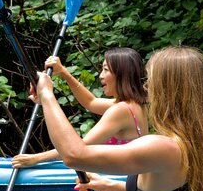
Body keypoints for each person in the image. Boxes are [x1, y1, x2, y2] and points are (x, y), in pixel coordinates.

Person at [32, 46, 203, 191]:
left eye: (151, 81)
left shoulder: (163, 147)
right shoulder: (195, 145)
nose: (145, 86)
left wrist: (47, 95)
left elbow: (74, 155)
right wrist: (109, 185)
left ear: (168, 91)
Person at [12, 48, 149, 168]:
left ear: (122, 74)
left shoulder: (121, 110)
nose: (100, 75)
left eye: (105, 70)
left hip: (115, 179)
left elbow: (77, 149)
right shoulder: (134, 104)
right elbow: (91, 102)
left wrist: (35, 159)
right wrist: (64, 72)